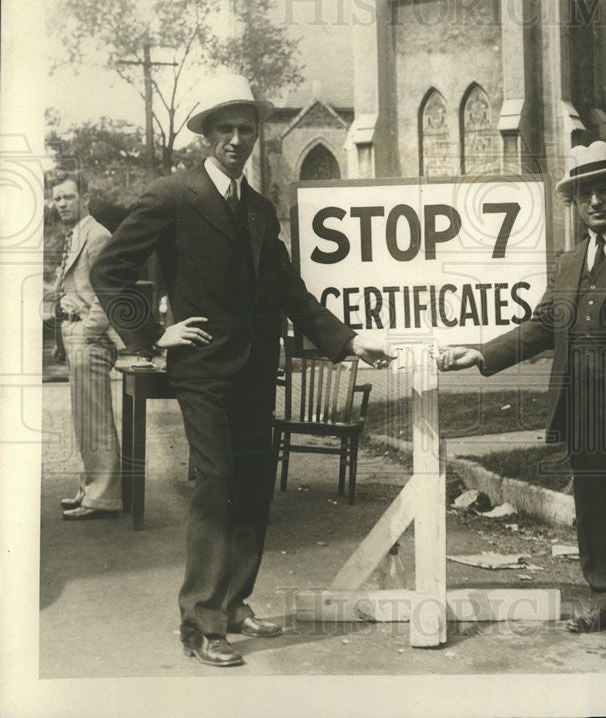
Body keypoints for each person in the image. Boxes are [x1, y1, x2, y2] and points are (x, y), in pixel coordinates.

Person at [91, 73, 394, 668]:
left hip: (259, 367)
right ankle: (200, 623)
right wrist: (153, 335)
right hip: (201, 369)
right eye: (224, 129)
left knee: (254, 486)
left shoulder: (258, 207)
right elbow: (110, 271)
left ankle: (234, 604)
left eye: (245, 129)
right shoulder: (171, 196)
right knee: (217, 482)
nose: (236, 140)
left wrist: (350, 341)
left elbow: (291, 292)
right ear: (205, 135)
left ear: (256, 134)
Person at [438, 141, 606, 645]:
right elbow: (541, 327)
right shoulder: (570, 262)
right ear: (574, 203)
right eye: (583, 194)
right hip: (583, 407)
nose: (594, 201)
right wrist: (482, 354)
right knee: (595, 507)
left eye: (603, 190)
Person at [50, 171, 123, 521]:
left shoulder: (98, 235)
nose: (61, 204)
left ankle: (104, 497)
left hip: (90, 339)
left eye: (67, 197)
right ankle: (89, 489)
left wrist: (86, 333)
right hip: (74, 336)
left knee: (95, 419)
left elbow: (109, 293)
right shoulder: (75, 234)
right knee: (84, 419)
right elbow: (72, 288)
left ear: (84, 198)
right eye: (57, 198)